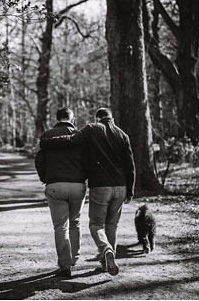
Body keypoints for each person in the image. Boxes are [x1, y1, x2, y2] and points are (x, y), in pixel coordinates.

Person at [40, 108, 135, 276]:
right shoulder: (123, 135)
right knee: (110, 225)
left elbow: (70, 140)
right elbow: (130, 165)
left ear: (97, 118)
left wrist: (46, 142)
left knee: (93, 224)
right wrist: (130, 191)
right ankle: (104, 262)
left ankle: (94, 254)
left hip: (98, 185)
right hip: (120, 186)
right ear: (111, 117)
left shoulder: (92, 129)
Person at [34, 107, 88, 277]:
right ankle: (74, 258)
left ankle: (65, 265)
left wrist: (45, 178)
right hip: (78, 185)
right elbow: (89, 160)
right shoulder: (80, 136)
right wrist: (84, 177)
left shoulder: (47, 135)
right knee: (75, 222)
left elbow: (39, 160)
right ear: (72, 119)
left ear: (57, 118)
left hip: (55, 185)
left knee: (60, 227)